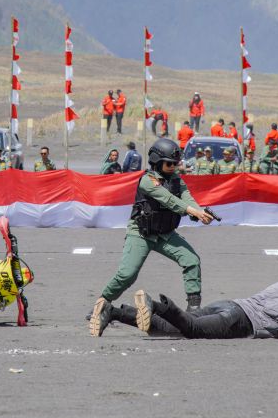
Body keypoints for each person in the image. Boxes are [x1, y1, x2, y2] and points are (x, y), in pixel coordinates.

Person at [89, 138, 215, 337]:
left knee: (191, 260)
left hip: (165, 234)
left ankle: (194, 311)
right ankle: (101, 304)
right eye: (169, 163)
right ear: (157, 161)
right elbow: (170, 200)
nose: (173, 167)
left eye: (175, 163)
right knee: (126, 275)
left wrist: (200, 212)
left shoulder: (176, 179)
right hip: (141, 232)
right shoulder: (148, 180)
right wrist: (193, 211)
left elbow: (187, 198)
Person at [95, 282, 278, 340]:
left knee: (170, 328)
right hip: (239, 321)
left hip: (229, 304)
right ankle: (157, 305)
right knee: (192, 329)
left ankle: (112, 312)